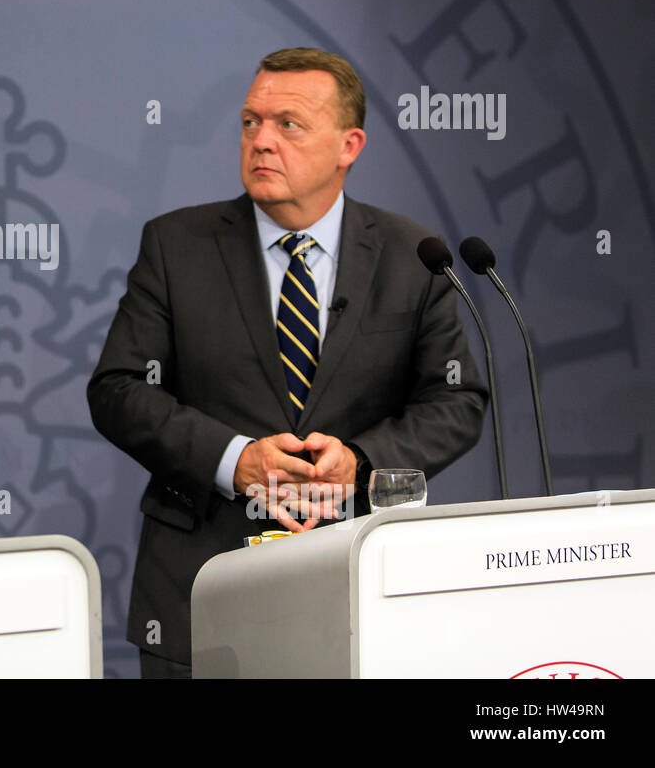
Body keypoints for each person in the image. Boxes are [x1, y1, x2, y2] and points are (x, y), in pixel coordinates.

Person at [87, 47, 487, 678]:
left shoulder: (412, 254)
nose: (261, 141)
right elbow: (118, 389)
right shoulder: (176, 245)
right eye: (250, 122)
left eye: (287, 125)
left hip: (362, 596)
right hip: (199, 594)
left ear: (348, 145)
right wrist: (234, 459)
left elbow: (456, 401)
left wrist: (360, 461)